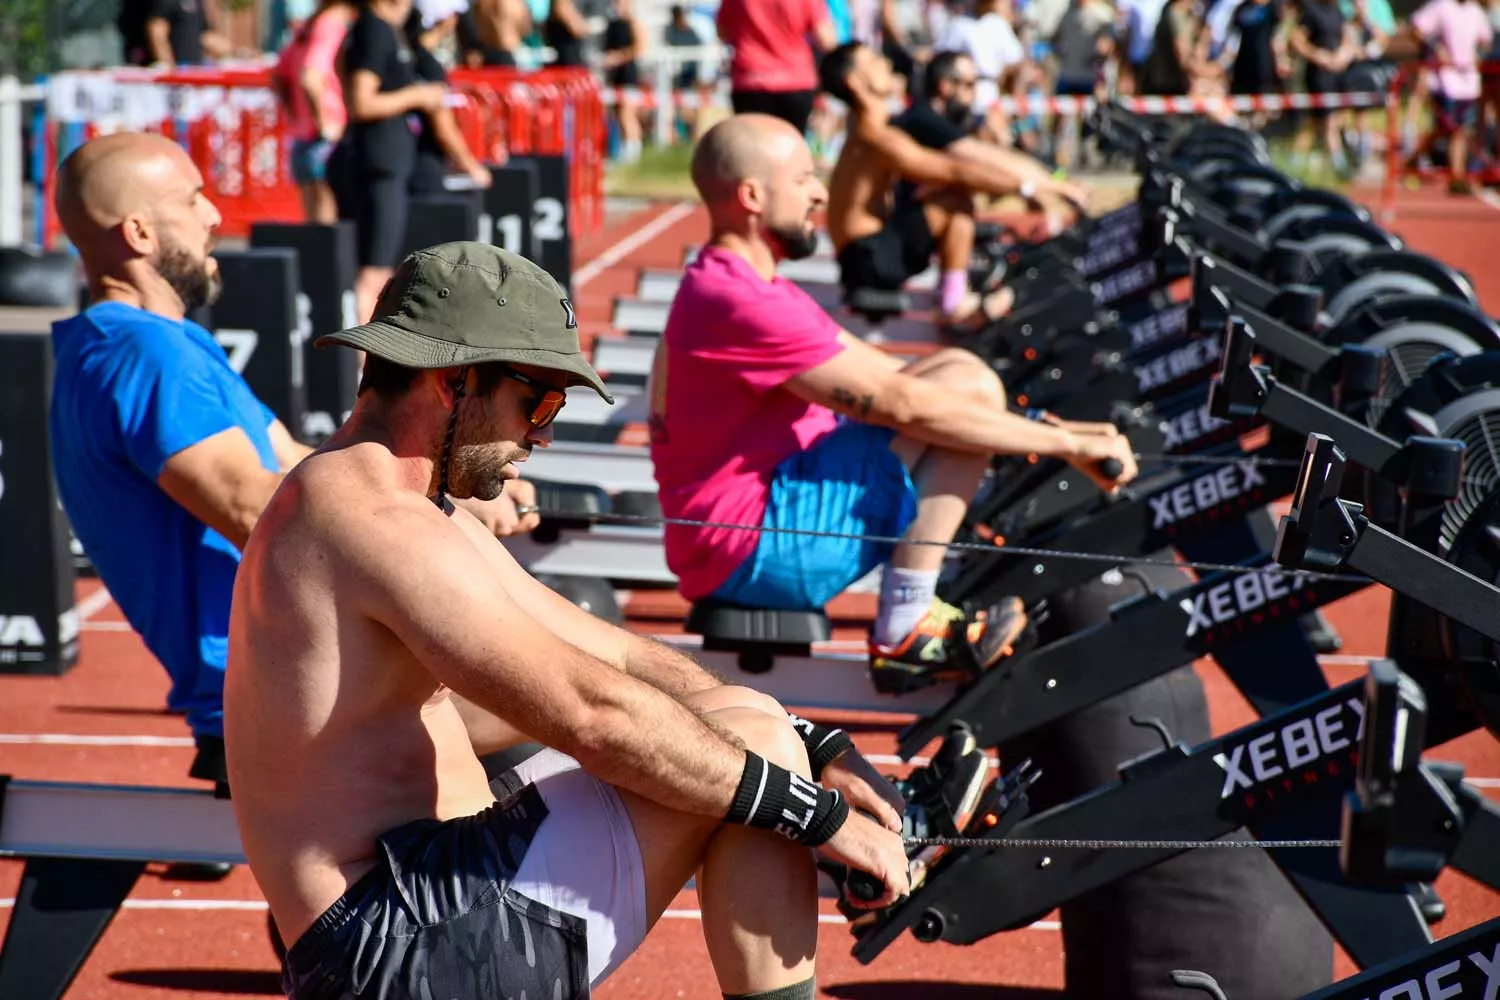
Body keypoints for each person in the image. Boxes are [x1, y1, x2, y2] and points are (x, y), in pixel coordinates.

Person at [222, 240, 938, 1000]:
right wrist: (823, 821)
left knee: (752, 726)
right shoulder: (370, 522)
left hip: (427, 900)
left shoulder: (406, 507)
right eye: (538, 401)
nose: (544, 435)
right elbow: (592, 715)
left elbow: (616, 659)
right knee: (752, 760)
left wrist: (817, 745)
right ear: (453, 381)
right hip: (394, 950)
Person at [47, 133, 541, 794]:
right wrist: (446, 519)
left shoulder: (166, 345)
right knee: (566, 708)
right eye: (193, 199)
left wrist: (456, 484)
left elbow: (304, 463)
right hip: (286, 693)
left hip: (304, 675)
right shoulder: (143, 356)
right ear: (138, 230)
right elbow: (260, 508)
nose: (214, 216)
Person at [648, 114, 1136, 691]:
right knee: (965, 391)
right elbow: (900, 404)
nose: (820, 193)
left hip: (754, 526)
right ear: (752, 195)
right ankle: (906, 624)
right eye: (804, 178)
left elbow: (887, 374)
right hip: (754, 549)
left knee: (958, 373)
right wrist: (1065, 445)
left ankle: (915, 600)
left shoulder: (748, 285)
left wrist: (1043, 426)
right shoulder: (737, 299)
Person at [816, 41, 1088, 329]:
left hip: (864, 254)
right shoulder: (877, 138)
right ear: (855, 83)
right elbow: (956, 170)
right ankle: (953, 304)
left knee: (949, 196)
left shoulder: (870, 129)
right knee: (956, 198)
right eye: (873, 61)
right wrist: (1035, 188)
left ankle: (953, 293)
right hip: (867, 259)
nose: (885, 64)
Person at [328, 0, 449, 325]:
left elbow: (341, 68)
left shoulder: (379, 30)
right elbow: (361, 102)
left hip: (382, 159)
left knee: (378, 268)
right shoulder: (374, 29)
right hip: (379, 162)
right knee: (374, 271)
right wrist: (419, 96)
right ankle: (361, 363)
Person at [893, 50, 1091, 234]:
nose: (975, 93)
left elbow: (1002, 157)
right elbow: (988, 159)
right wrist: (1059, 188)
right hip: (900, 225)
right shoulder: (924, 119)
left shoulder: (947, 118)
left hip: (913, 218)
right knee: (958, 205)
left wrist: (1050, 183)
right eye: (969, 85)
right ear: (946, 86)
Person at [271, 0, 357, 225]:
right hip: (325, 135)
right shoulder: (331, 26)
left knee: (313, 223)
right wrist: (324, 122)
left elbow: (278, 75)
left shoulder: (308, 26)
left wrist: (295, 115)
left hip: (303, 134)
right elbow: (310, 77)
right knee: (327, 224)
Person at [717, 0, 840, 135]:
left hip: (750, 79)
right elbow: (826, 40)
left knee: (752, 148)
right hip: (795, 81)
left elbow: (722, 30)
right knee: (792, 147)